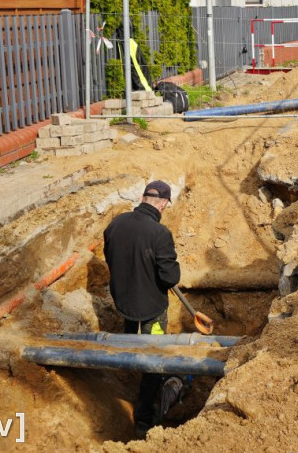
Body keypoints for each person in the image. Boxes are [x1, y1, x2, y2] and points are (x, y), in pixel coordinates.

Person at [104, 179, 184, 437]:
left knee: (130, 334)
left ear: (142, 198)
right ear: (162, 204)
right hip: (152, 306)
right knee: (154, 353)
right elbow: (170, 278)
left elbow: (111, 258)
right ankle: (144, 417)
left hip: (124, 300)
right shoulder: (159, 234)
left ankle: (128, 362)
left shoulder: (116, 224)